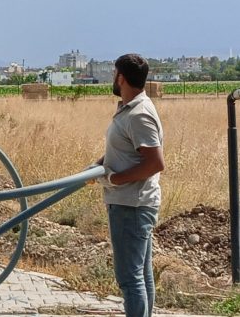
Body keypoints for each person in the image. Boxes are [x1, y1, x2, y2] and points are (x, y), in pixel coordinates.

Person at [89, 53, 164, 317]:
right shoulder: (129, 108)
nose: (112, 78)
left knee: (130, 280)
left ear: (121, 77)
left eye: (113, 73)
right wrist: (100, 165)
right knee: (141, 274)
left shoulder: (139, 115)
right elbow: (128, 150)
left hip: (131, 204)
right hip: (130, 202)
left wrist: (112, 178)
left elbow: (154, 163)